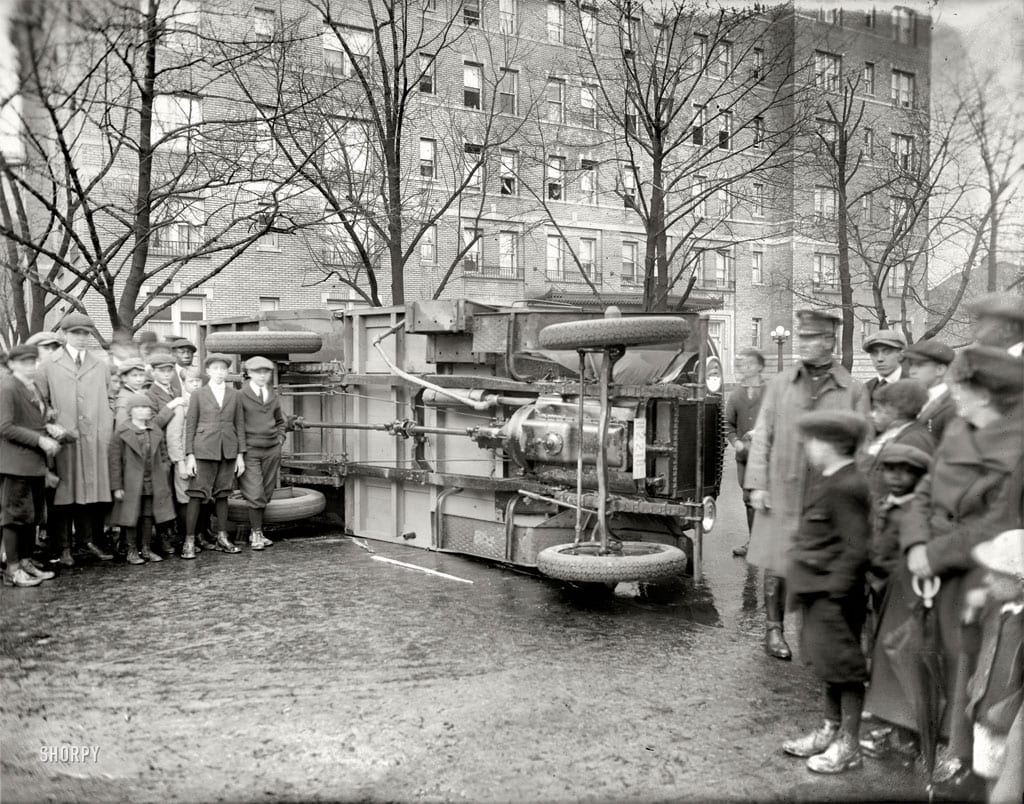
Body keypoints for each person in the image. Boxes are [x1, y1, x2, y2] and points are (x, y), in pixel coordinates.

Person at [868, 345, 1024, 794]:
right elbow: (923, 491)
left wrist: (933, 555)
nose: (956, 395)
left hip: (970, 571)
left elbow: (998, 523)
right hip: (922, 563)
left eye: (964, 388)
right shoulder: (958, 431)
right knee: (905, 648)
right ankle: (902, 726)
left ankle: (951, 750)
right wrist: (916, 543)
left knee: (960, 660)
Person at [745, 309, 870, 660]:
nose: (803, 344)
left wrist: (854, 495)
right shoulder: (782, 384)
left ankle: (816, 636)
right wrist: (757, 484)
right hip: (783, 488)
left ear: (830, 342)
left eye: (811, 338)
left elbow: (864, 448)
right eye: (801, 337)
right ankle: (773, 630)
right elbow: (763, 436)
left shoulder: (853, 390)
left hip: (829, 493)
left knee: (824, 562)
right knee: (778, 560)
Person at [781, 410, 871, 774]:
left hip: (833, 594)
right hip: (818, 590)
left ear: (832, 445)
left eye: (813, 442)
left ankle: (848, 745)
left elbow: (857, 547)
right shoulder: (830, 478)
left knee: (845, 668)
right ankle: (829, 730)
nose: (808, 448)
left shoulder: (846, 486)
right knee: (828, 665)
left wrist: (835, 592)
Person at [36, 312, 114, 564]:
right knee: (64, 493)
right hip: (64, 439)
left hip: (94, 438)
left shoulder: (100, 364)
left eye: (85, 334)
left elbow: (111, 398)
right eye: (76, 333)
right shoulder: (48, 365)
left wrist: (106, 426)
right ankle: (63, 546)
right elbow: (41, 402)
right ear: (65, 335)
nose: (81, 338)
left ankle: (88, 540)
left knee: (91, 491)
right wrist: (54, 426)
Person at [963, 528, 1024, 802]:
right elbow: (972, 650)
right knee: (990, 779)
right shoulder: (995, 611)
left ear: (1020, 581)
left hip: (1010, 723)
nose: (986, 579)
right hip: (985, 713)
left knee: (1011, 785)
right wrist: (970, 617)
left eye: (995, 574)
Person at [0, 345, 62, 586]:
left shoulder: (31, 385)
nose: (30, 366)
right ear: (12, 363)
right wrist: (39, 439)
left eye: (33, 361)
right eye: (24, 362)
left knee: (30, 516)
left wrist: (49, 426)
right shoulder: (7, 387)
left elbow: (34, 417)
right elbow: (5, 427)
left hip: (33, 463)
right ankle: (12, 570)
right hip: (15, 463)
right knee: (14, 518)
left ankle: (25, 562)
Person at [182, 353, 246, 559]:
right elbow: (190, 425)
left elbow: (240, 425)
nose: (220, 372)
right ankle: (189, 540)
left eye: (223, 369)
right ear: (208, 371)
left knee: (223, 494)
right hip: (203, 450)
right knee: (196, 494)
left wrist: (240, 455)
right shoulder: (198, 394)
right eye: (215, 368)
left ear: (228, 372)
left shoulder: (235, 395)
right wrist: (190, 455)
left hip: (228, 450)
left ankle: (222, 536)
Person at [109, 392, 176, 565]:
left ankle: (146, 548)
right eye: (139, 407)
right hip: (131, 483)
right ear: (131, 411)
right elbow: (114, 461)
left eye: (146, 407)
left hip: (152, 481)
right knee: (131, 515)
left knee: (148, 515)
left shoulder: (155, 430)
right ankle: (131, 550)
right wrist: (117, 486)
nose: (143, 411)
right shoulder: (122, 432)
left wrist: (165, 468)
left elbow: (163, 454)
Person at [238, 356, 286, 551]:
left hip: (271, 449)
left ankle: (256, 531)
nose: (262, 376)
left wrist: (280, 439)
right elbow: (237, 425)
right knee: (255, 492)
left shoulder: (272, 394)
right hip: (251, 450)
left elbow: (280, 421)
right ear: (249, 374)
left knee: (266, 491)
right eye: (258, 372)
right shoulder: (240, 395)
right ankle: (256, 533)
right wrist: (240, 453)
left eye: (266, 372)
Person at [860, 379, 934, 501]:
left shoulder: (913, 439)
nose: (872, 415)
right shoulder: (893, 433)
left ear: (895, 409)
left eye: (878, 409)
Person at [724, 348, 766, 558]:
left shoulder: (771, 392)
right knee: (749, 500)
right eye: (742, 365)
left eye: (750, 364)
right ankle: (754, 543)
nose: (745, 368)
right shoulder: (736, 395)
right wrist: (736, 443)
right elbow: (728, 425)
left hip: (769, 457)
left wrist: (762, 432)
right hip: (745, 459)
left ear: (760, 366)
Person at [165, 366, 202, 552]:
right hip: (184, 460)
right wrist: (179, 462)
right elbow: (173, 437)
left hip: (201, 459)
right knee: (185, 499)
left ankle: (199, 535)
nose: (195, 384)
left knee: (200, 497)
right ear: (184, 384)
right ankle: (186, 539)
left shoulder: (204, 402)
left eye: (198, 381)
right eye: (191, 381)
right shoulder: (181, 406)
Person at [903, 339, 958, 444]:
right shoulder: (915, 400)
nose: (911, 371)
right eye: (911, 365)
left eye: (919, 366)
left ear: (940, 370)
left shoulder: (951, 407)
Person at [862, 329, 906, 400]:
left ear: (900, 354)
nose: (879, 359)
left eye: (887, 352)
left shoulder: (916, 386)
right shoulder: (866, 389)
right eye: (874, 353)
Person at [113, 359, 152, 427]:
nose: (139, 379)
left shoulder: (139, 393)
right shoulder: (124, 400)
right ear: (124, 378)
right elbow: (122, 427)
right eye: (134, 375)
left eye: (141, 375)